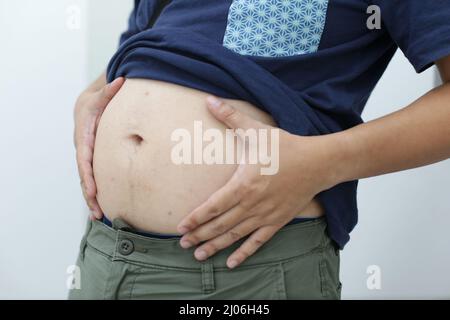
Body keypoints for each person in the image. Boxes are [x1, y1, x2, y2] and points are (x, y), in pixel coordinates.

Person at [69, 0, 450, 299]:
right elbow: (155, 43)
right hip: (105, 255)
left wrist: (324, 163)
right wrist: (89, 97)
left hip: (243, 267)